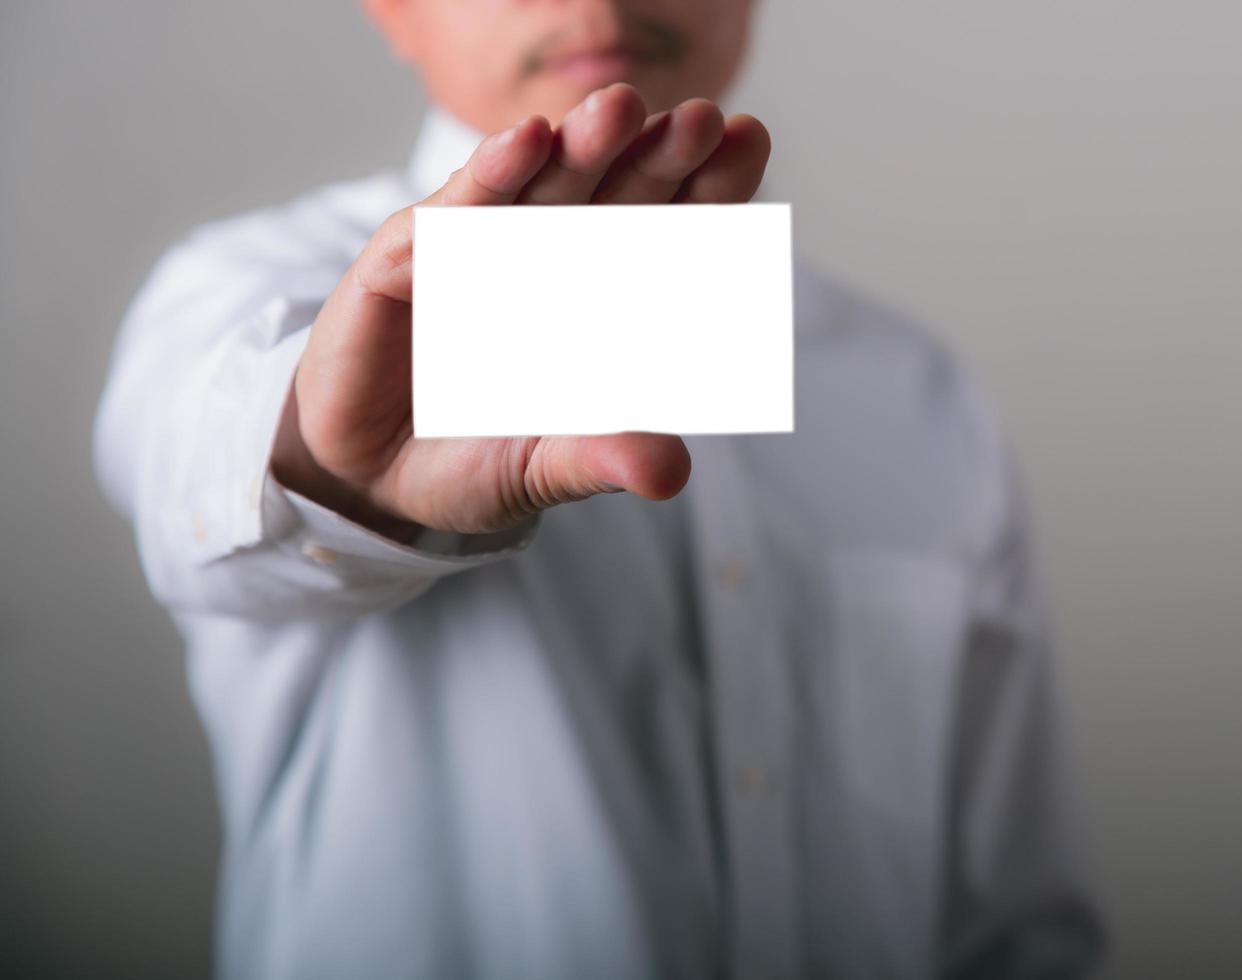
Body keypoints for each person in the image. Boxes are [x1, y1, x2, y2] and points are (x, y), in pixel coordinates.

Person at [91, 0, 1102, 977]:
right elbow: (196, 472)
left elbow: (1010, 919)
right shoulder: (240, 299)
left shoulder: (914, 394)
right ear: (392, 6)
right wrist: (329, 463)